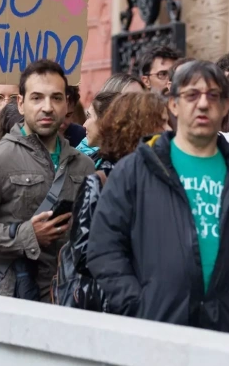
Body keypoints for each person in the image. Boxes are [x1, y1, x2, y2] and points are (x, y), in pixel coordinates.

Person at [87, 61, 229, 334]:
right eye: (191, 95)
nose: (203, 104)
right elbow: (103, 248)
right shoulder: (135, 171)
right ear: (173, 105)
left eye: (213, 95)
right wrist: (139, 306)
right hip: (158, 329)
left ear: (226, 106)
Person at [0, 60, 95, 301]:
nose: (47, 107)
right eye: (37, 98)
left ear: (67, 104)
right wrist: (24, 234)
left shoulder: (84, 165)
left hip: (71, 301)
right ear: (21, 103)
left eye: (56, 98)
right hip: (14, 301)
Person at [55, 92, 170, 310]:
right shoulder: (102, 181)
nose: (169, 130)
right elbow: (84, 254)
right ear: (140, 127)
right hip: (111, 305)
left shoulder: (164, 177)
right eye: (162, 122)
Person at [76, 91, 119, 166]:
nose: (84, 125)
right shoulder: (96, 157)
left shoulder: (109, 166)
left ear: (104, 121)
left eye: (89, 116)